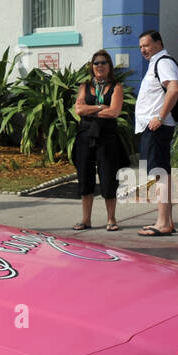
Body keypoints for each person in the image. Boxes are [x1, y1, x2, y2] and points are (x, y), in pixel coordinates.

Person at [71, 50, 127, 231]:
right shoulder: (85, 86)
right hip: (85, 135)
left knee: (108, 176)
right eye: (96, 63)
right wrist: (99, 107)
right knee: (85, 176)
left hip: (107, 137)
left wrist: (91, 111)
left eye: (103, 63)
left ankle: (111, 219)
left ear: (109, 66)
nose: (99, 66)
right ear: (92, 66)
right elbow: (78, 110)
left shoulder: (116, 87)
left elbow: (114, 112)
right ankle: (86, 219)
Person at [135, 29, 178, 236]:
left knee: (160, 174)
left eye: (146, 45)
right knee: (161, 174)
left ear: (158, 43)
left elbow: (174, 88)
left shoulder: (163, 62)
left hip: (157, 127)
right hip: (153, 127)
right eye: (140, 47)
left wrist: (160, 117)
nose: (143, 50)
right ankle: (165, 221)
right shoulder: (156, 63)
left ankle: (163, 223)